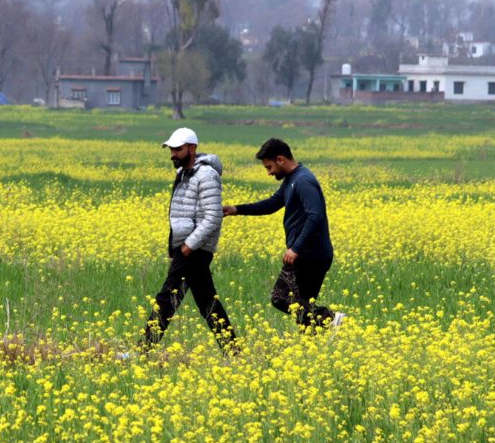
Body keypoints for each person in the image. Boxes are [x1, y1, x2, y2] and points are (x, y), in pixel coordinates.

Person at [223, 138, 345, 330]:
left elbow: (316, 216)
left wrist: (296, 248)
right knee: (302, 306)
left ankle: (331, 318)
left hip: (309, 255)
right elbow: (272, 204)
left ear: (280, 159)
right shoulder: (292, 179)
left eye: (269, 166)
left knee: (280, 298)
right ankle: (310, 350)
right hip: (311, 254)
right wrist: (237, 209)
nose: (269, 172)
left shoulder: (303, 180)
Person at [141, 127, 237, 353]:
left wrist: (188, 245)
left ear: (192, 149)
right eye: (171, 149)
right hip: (185, 247)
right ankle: (233, 349)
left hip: (195, 249)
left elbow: (213, 216)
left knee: (167, 297)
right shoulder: (183, 173)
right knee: (207, 302)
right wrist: (175, 244)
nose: (173, 154)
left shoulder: (206, 175)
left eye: (178, 149)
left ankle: (144, 349)